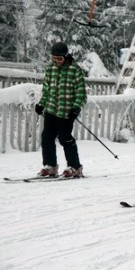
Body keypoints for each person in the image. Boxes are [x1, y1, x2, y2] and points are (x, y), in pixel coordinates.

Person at [35, 41, 87, 178]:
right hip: (51, 110)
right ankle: (50, 165)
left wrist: (75, 109)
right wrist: (41, 104)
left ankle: (75, 167)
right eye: (54, 58)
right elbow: (46, 90)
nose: (56, 61)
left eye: (59, 59)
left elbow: (81, 93)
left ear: (66, 56)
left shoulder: (74, 70)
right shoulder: (50, 69)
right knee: (47, 137)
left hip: (66, 112)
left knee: (65, 138)